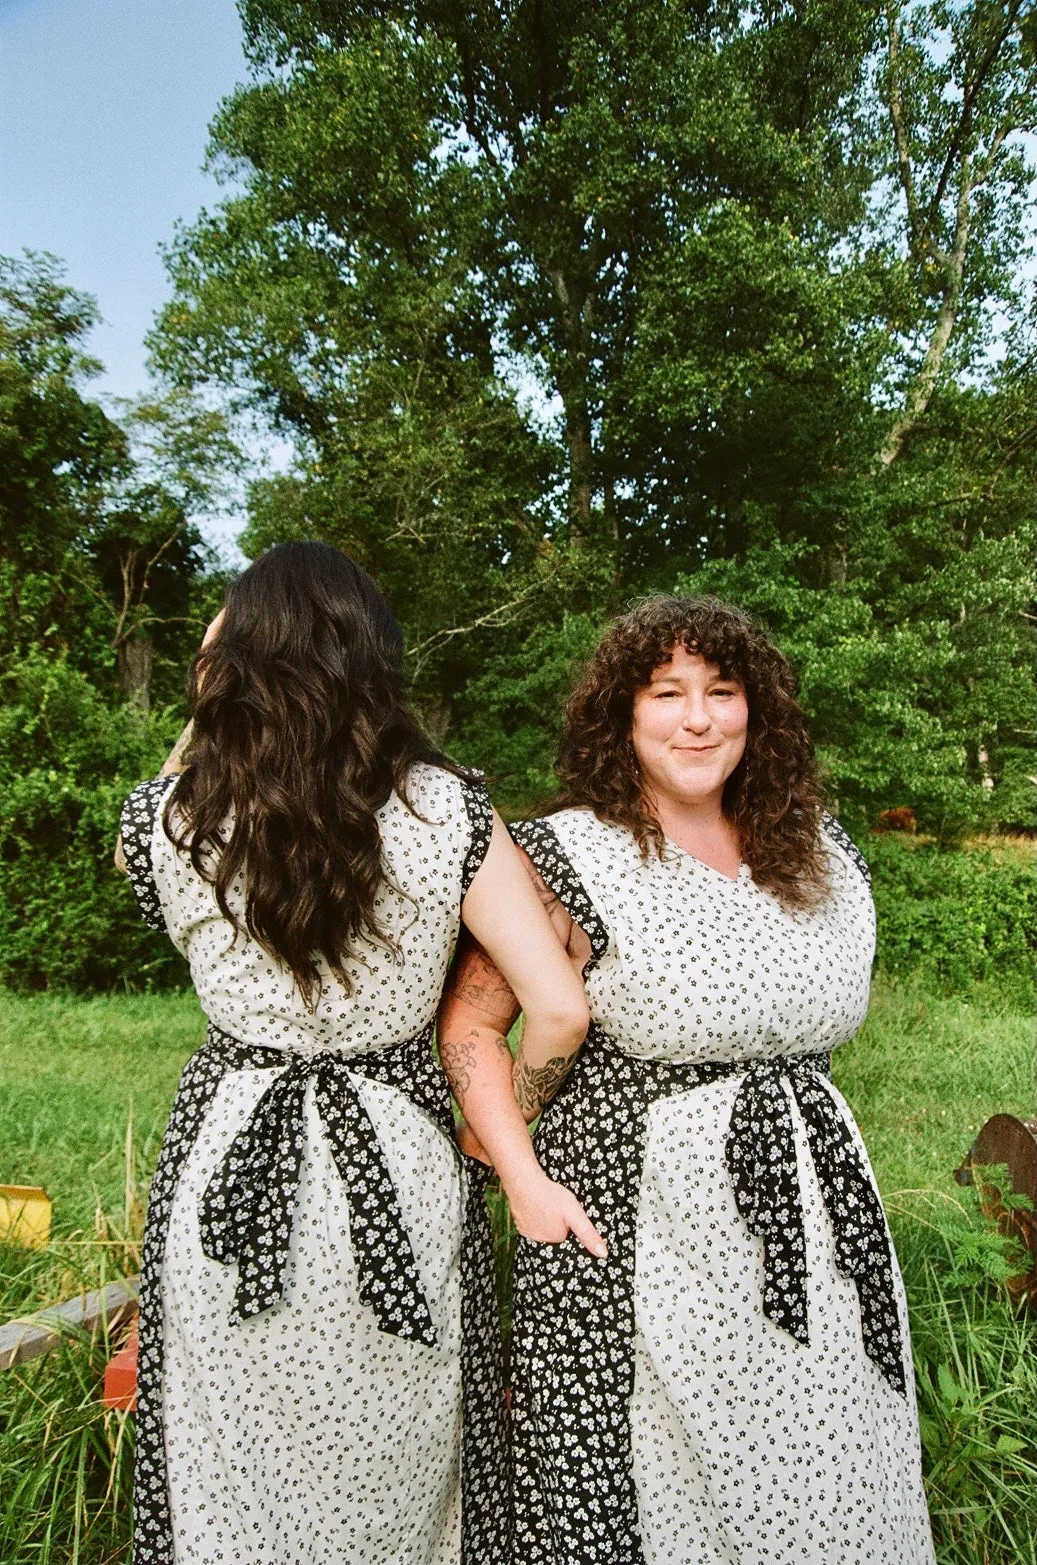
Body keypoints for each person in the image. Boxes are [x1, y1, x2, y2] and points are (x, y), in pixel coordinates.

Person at [117, 541, 600, 1565]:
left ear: (230, 662)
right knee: (401, 1451)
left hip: (229, 1148)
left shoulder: (172, 815)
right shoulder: (449, 810)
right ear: (374, 659)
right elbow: (556, 1004)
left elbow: (159, 806)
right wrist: (491, 1119)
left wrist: (214, 685)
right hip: (399, 1152)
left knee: (226, 1454)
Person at [438, 595, 936, 1565]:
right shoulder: (568, 856)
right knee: (655, 1501)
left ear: (758, 710)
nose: (697, 717)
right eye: (665, 693)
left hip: (811, 1229)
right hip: (635, 1233)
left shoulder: (819, 852)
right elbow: (469, 1027)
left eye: (720, 690)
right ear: (622, 716)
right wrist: (520, 1174)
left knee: (822, 1473)